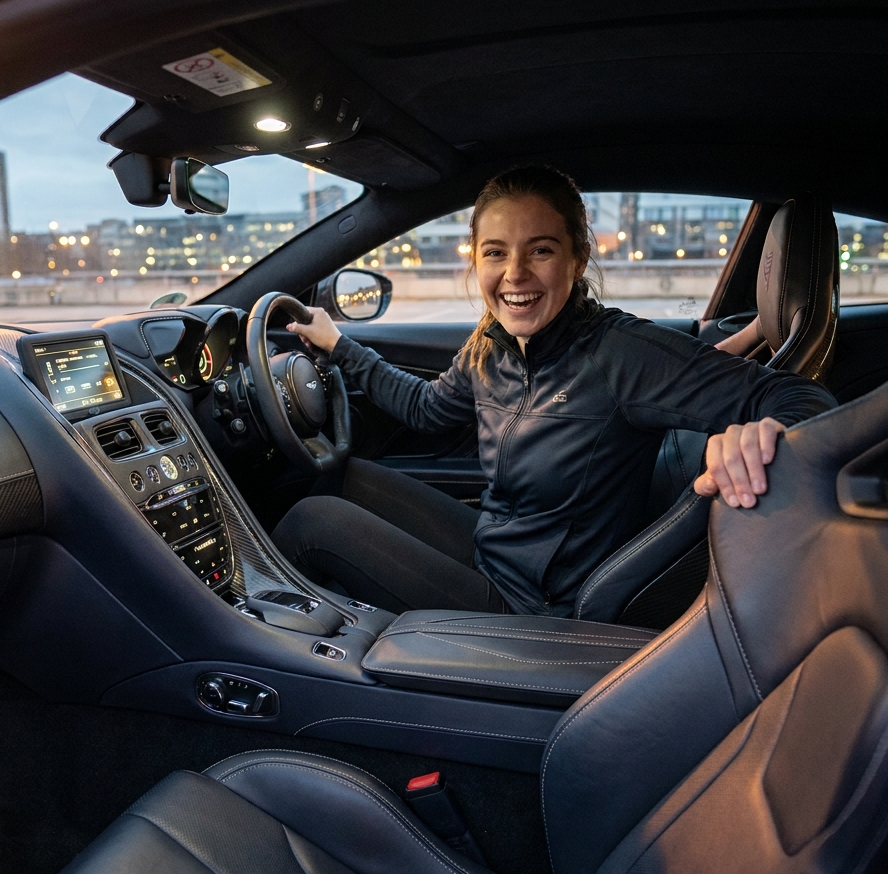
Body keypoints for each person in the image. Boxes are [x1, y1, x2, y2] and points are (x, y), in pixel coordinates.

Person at [273, 166, 837, 617]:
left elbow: (803, 401)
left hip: (536, 604)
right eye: (496, 252)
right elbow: (425, 409)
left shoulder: (619, 352)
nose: (515, 273)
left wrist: (760, 437)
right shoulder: (492, 346)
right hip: (496, 548)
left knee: (311, 522)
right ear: (477, 259)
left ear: (577, 258)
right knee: (341, 476)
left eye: (540, 250)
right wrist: (339, 345)